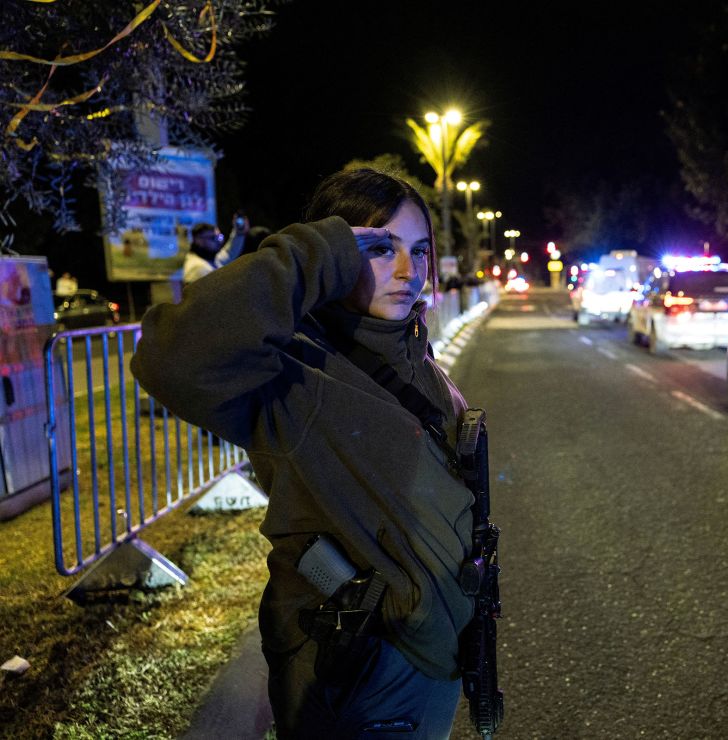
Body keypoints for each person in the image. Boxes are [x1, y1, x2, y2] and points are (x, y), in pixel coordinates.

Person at [130, 168, 474, 739]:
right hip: (357, 672)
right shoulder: (292, 373)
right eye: (379, 249)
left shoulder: (414, 356)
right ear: (336, 253)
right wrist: (314, 250)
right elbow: (169, 355)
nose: (409, 272)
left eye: (419, 250)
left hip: (434, 664)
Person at [183, 214, 249, 285]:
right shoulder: (198, 268)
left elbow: (229, 253)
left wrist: (239, 233)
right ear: (198, 240)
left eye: (219, 237)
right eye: (213, 238)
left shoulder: (208, 259)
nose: (218, 241)